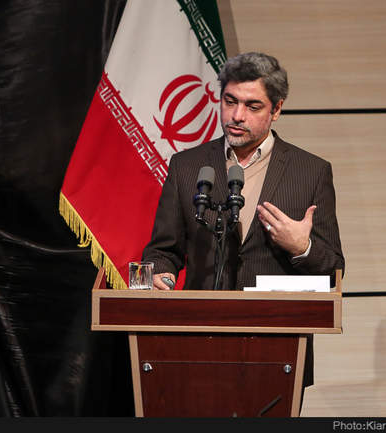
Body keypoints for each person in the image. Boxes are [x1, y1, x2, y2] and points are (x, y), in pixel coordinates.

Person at [141, 51, 345, 397]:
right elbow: (163, 251)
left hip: (277, 351)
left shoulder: (311, 172)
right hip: (195, 344)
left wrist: (302, 248)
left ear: (276, 109)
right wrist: (161, 275)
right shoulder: (187, 166)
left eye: (253, 106)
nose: (237, 116)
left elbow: (333, 270)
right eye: (230, 101)